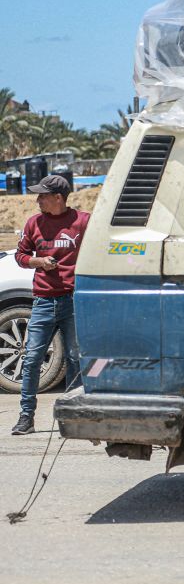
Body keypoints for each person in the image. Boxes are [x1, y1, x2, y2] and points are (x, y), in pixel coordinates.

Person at [11, 175, 90, 435]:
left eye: (42, 195)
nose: (37, 200)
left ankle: (74, 416)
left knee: (75, 359)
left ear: (58, 198)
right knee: (32, 359)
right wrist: (39, 262)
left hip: (73, 300)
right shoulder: (34, 223)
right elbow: (21, 256)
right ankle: (26, 417)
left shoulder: (83, 222)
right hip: (43, 301)